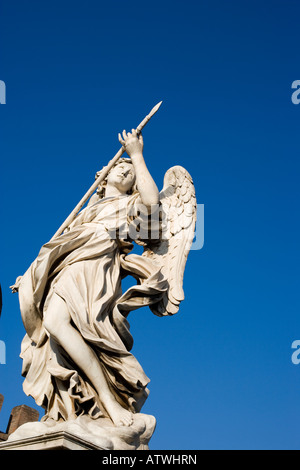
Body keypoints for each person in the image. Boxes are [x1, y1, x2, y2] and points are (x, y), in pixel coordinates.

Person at [16, 130, 168, 426]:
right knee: (54, 327)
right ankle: (76, 407)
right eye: (120, 166)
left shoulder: (128, 205)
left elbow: (151, 204)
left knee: (63, 324)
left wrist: (137, 155)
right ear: (104, 175)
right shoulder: (87, 211)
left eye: (131, 171)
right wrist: (35, 275)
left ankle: (109, 402)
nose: (127, 171)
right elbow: (57, 249)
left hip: (97, 267)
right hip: (69, 267)